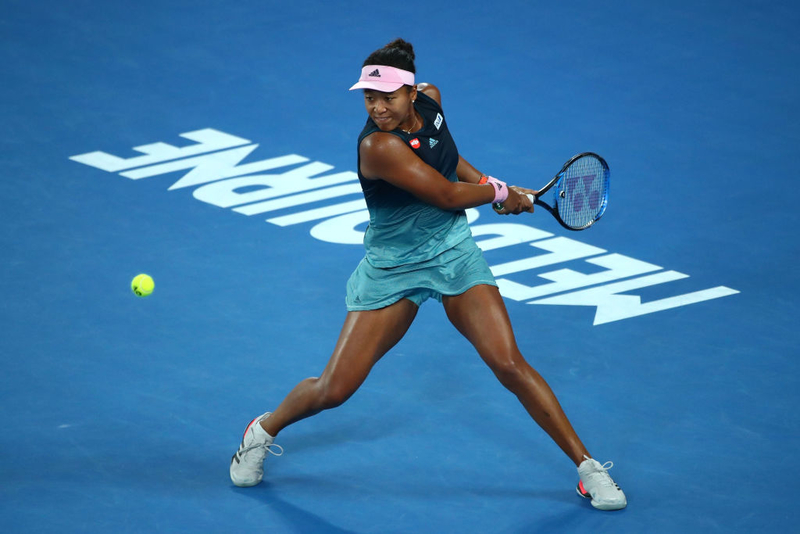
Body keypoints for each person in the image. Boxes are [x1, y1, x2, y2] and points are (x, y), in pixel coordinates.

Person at [230, 38, 627, 511]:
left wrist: (487, 184)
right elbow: (442, 193)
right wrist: (500, 193)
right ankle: (263, 430)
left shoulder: (432, 101)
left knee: (508, 363)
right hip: (393, 268)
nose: (377, 107)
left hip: (452, 253)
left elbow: (448, 159)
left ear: (412, 91)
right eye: (368, 98)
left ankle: (587, 467)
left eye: (387, 97)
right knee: (333, 389)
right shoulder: (378, 147)